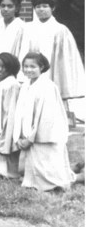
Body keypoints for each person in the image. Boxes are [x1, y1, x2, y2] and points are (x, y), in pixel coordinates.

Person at [15, 52, 75, 191]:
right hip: (30, 130)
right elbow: (21, 111)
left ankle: (58, 183)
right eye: (25, 66)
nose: (28, 70)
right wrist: (20, 135)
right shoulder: (26, 85)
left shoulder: (47, 86)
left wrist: (31, 137)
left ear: (41, 67)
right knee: (34, 163)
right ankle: (33, 181)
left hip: (44, 131)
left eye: (33, 66)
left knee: (48, 162)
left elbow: (45, 115)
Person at [18, 0, 85, 107]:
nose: (41, 9)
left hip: (53, 75)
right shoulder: (27, 28)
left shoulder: (60, 30)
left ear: (52, 8)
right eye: (38, 6)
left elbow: (65, 60)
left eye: (45, 6)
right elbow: (21, 53)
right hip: (30, 74)